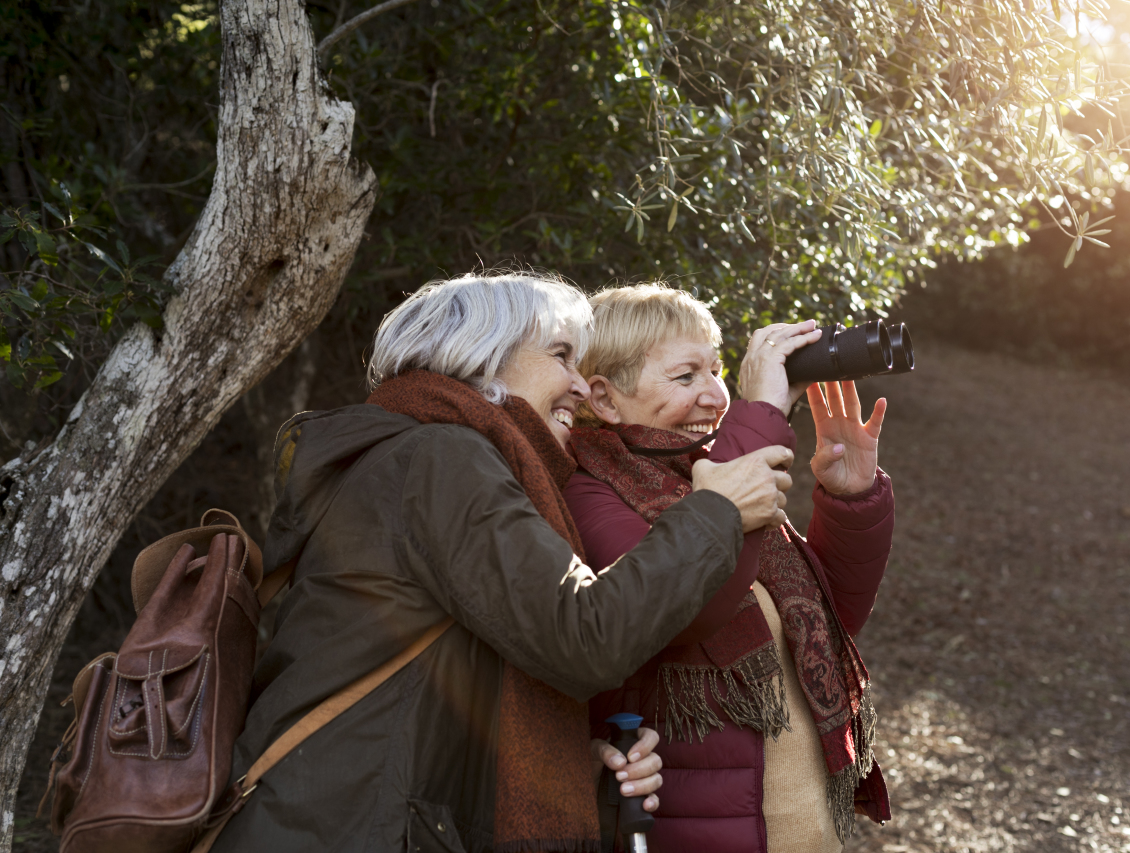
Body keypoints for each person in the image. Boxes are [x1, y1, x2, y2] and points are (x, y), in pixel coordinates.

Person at [213, 272, 794, 853]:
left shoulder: (414, 454)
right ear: (483, 358)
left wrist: (569, 767)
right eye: (561, 355)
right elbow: (583, 635)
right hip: (342, 830)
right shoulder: (442, 457)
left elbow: (447, 690)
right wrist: (714, 512)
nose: (576, 383)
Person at [567, 284, 895, 853]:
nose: (717, 396)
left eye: (716, 371)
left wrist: (849, 500)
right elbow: (692, 611)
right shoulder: (590, 492)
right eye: (685, 376)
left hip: (801, 824)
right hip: (695, 829)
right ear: (604, 398)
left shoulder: (707, 473)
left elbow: (832, 618)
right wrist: (759, 418)